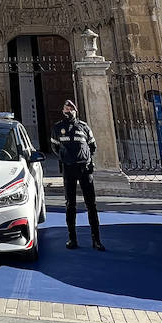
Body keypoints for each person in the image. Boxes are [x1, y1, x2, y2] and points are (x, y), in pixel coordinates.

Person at [51, 99, 104, 250]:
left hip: (85, 168)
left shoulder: (84, 127)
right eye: (66, 109)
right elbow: (54, 146)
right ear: (63, 111)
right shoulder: (58, 128)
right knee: (70, 204)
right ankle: (72, 238)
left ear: (75, 111)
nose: (69, 111)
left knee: (91, 205)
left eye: (71, 109)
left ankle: (96, 240)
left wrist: (86, 158)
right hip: (69, 168)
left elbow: (92, 146)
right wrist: (64, 157)